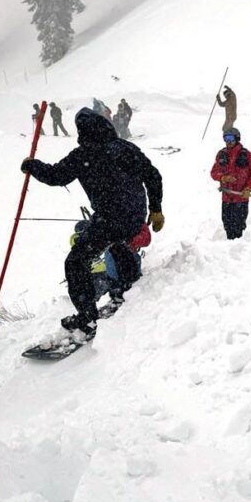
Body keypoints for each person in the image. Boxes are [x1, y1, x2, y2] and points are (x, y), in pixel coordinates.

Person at [21, 108, 165, 341]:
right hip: (134, 215)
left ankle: (86, 319)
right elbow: (153, 175)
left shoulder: (82, 155)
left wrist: (31, 165)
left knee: (76, 261)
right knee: (118, 242)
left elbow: (56, 176)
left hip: (110, 218)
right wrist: (156, 209)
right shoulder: (126, 148)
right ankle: (126, 286)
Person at [210, 127, 251, 240]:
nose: (228, 141)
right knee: (227, 225)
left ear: (237, 138)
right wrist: (223, 178)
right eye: (226, 138)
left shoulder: (247, 155)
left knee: (239, 226)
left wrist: (248, 188)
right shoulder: (221, 154)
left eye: (231, 138)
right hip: (226, 198)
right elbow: (213, 172)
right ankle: (229, 249)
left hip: (241, 199)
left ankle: (239, 250)